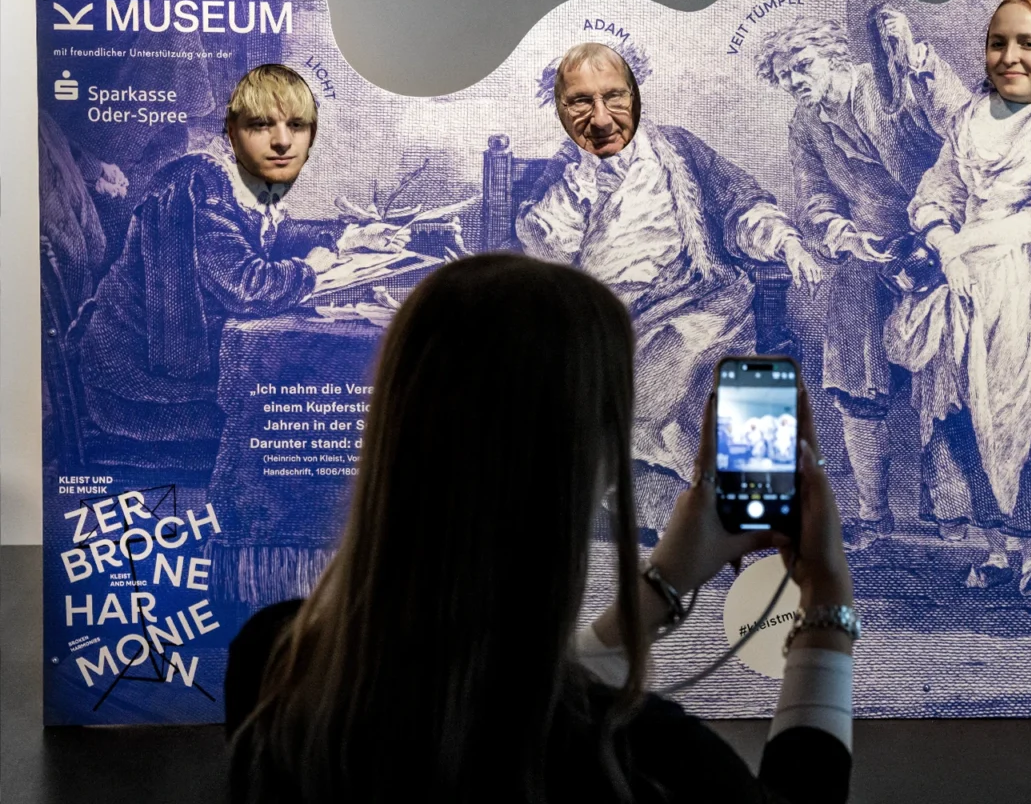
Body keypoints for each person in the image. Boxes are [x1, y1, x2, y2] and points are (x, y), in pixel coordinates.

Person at [226, 254, 857, 803]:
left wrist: (661, 586)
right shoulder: (643, 758)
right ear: (598, 461)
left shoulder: (274, 665)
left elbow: (492, 691)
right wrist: (827, 606)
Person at [517, 43, 823, 535]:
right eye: (580, 102)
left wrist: (786, 243)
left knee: (680, 351)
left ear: (636, 95)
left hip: (701, 298)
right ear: (559, 109)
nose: (600, 118)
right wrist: (576, 194)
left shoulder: (678, 150)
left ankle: (733, 511)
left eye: (614, 97)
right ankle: (666, 511)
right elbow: (545, 257)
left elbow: (740, 207)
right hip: (606, 313)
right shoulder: (563, 174)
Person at [886, 0, 1031, 602]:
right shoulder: (966, 121)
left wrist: (976, 241)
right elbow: (934, 193)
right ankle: (994, 547)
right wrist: (944, 241)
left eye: (1027, 44)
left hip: (1027, 283)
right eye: (998, 43)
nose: (1010, 56)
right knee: (959, 410)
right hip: (962, 282)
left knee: (1022, 411)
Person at [76, 64, 404, 463]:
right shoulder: (197, 181)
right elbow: (245, 284)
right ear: (231, 131)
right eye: (262, 125)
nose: (282, 142)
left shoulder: (240, 181)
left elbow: (272, 236)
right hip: (140, 386)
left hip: (172, 372)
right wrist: (311, 271)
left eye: (297, 126)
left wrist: (345, 237)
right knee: (284, 417)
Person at [758, 11, 967, 550]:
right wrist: (845, 235)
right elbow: (816, 198)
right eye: (784, 78)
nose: (795, 83)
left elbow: (960, 137)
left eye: (802, 66)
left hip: (941, 240)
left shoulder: (889, 86)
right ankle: (874, 514)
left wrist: (936, 235)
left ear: (834, 55)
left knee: (939, 372)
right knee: (853, 371)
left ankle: (948, 505)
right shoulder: (805, 124)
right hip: (867, 251)